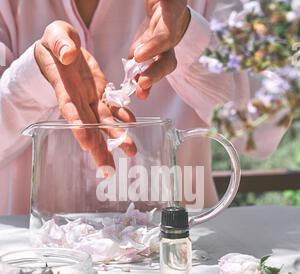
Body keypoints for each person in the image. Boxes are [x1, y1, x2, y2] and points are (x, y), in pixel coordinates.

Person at [0, 0, 286, 215]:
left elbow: (266, 128)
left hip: (178, 264)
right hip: (37, 268)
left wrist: (187, 36)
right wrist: (35, 76)